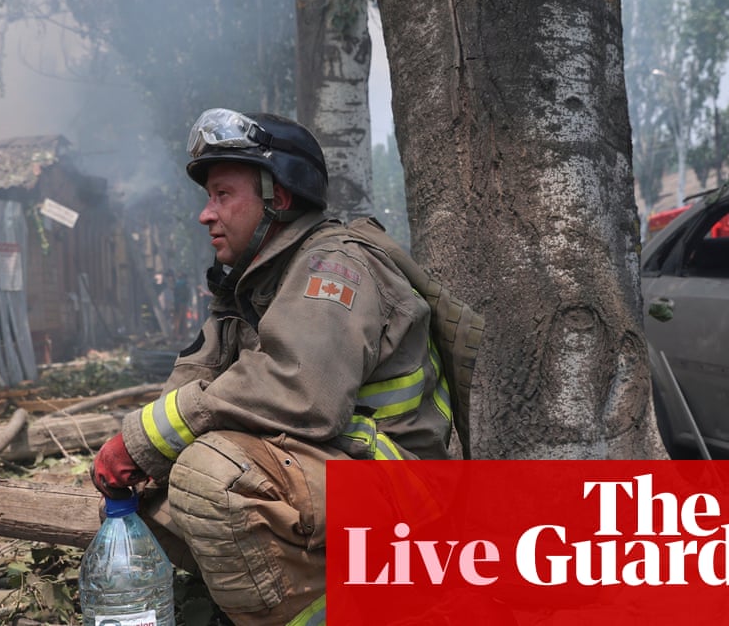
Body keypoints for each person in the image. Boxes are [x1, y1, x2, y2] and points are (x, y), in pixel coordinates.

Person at [90, 108, 456, 625]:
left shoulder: (333, 267)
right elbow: (194, 380)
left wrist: (142, 441)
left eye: (222, 195)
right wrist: (140, 454)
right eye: (207, 198)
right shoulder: (250, 285)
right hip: (341, 477)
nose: (206, 214)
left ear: (277, 198)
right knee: (160, 493)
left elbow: (299, 388)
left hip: (406, 494)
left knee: (212, 477)